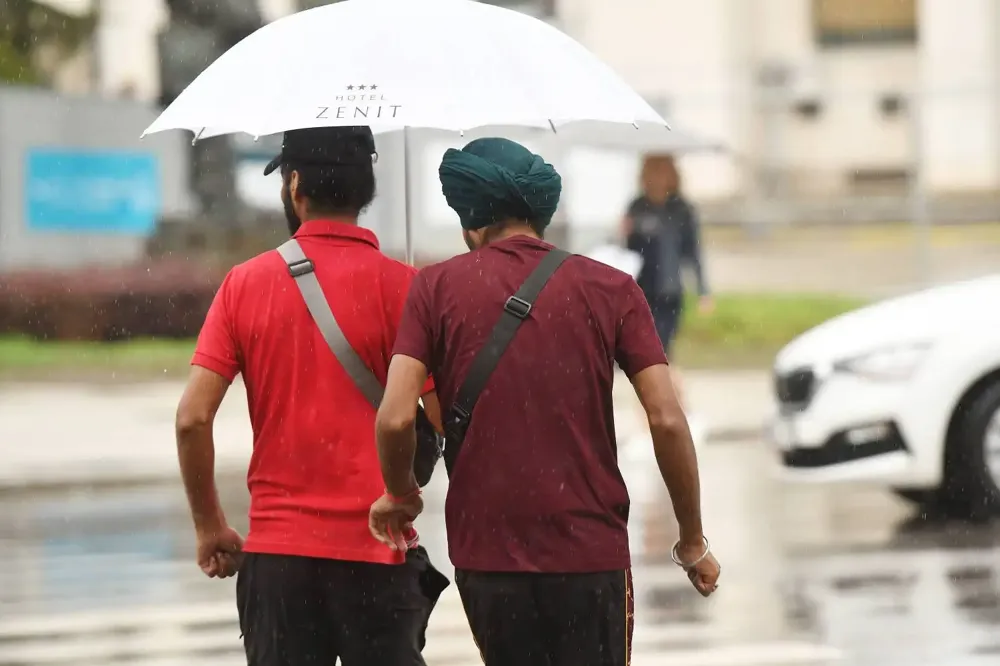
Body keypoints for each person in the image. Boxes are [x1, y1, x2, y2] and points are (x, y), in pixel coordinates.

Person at [369, 138, 720, 666]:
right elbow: (666, 419)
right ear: (540, 210)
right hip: (589, 551)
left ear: (470, 217)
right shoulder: (612, 288)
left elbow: (397, 417)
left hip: (487, 555)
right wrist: (691, 538)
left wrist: (400, 493)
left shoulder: (434, 288)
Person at [174, 126, 444, 666]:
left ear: (294, 186)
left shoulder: (244, 284)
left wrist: (210, 526)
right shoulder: (407, 287)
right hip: (379, 554)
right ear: (367, 189)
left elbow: (191, 418)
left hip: (278, 561)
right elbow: (446, 423)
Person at [623, 154, 712, 359]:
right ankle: (663, 384)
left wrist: (703, 290)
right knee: (643, 345)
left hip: (670, 288)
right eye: (653, 171)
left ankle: (666, 385)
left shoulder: (682, 209)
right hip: (641, 288)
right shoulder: (637, 207)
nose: (658, 177)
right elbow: (626, 252)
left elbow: (693, 251)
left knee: (662, 345)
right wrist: (624, 232)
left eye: (663, 171)